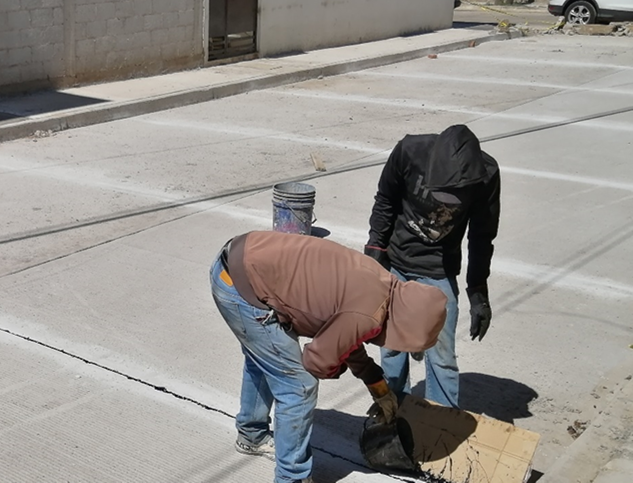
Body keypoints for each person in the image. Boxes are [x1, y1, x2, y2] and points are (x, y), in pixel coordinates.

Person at [210, 231, 447, 483]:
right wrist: (336, 365)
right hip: (243, 287)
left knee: (268, 363)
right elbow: (318, 360)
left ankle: (252, 435)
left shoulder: (381, 282)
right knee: (299, 386)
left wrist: (376, 384)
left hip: (238, 261)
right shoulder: (368, 312)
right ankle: (292, 478)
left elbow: (344, 333)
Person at [364, 124, 501, 408]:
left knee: (442, 356)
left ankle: (440, 422)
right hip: (396, 262)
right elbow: (385, 200)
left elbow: (481, 236)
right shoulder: (410, 151)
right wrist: (375, 252)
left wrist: (478, 292)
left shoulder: (486, 175)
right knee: (391, 348)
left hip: (439, 270)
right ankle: (392, 410)